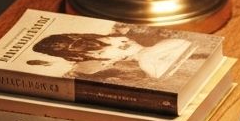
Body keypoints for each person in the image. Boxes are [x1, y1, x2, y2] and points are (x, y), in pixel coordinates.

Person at [31, 26, 195, 82]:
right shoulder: (84, 58)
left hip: (147, 50)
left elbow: (126, 39)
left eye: (59, 41)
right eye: (57, 47)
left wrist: (123, 42)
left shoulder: (100, 38)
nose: (61, 45)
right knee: (154, 69)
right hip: (142, 59)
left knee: (178, 45)